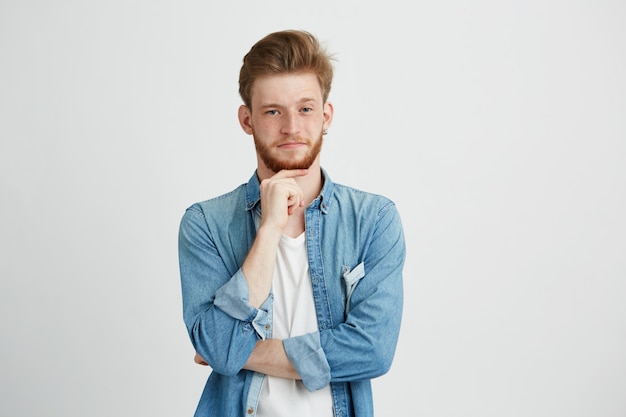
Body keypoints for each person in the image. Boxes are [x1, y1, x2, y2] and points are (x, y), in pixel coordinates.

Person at [178, 29, 405, 417]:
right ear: (247, 119)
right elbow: (217, 345)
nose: (292, 127)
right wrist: (268, 231)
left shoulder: (374, 220)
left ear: (325, 115)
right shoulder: (206, 224)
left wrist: (242, 353)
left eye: (304, 108)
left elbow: (373, 350)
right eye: (272, 111)